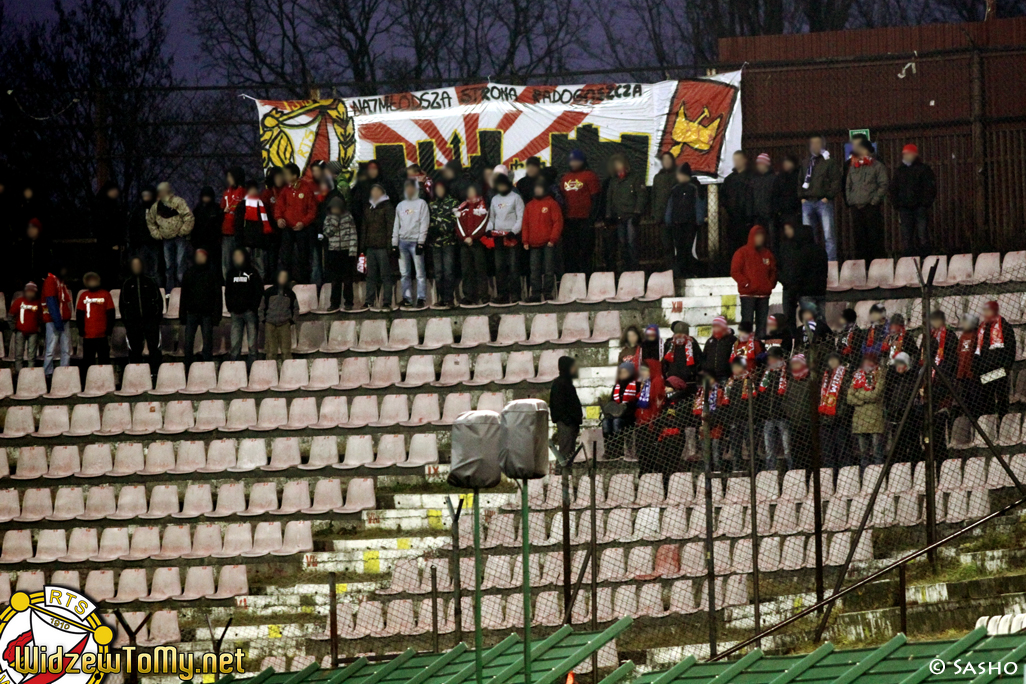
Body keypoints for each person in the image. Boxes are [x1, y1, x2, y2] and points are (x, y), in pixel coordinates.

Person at [846, 138, 889, 262]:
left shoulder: (877, 166)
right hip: (856, 207)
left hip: (871, 207)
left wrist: (874, 201)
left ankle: (877, 265)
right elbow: (848, 184)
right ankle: (861, 267)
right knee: (859, 239)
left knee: (874, 237)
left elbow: (884, 184)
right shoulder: (853, 166)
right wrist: (851, 200)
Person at [799, 135, 842, 261]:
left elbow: (836, 181)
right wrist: (802, 197)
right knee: (808, 236)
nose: (815, 146)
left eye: (817, 143)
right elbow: (800, 180)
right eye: (812, 143)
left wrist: (828, 196)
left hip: (823, 201)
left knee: (828, 235)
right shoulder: (805, 162)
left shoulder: (829, 162)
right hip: (807, 202)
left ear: (823, 145)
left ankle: (831, 263)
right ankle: (812, 262)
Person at [119, 256, 164, 377]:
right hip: (133, 323)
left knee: (154, 348)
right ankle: (136, 373)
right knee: (134, 349)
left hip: (151, 321)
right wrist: (128, 321)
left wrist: (155, 318)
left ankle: (156, 373)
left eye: (138, 264)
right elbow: (123, 304)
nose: (136, 267)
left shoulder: (150, 282)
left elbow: (158, 301)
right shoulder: (127, 284)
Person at [777, 222, 828, 326]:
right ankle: (825, 340)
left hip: (806, 292)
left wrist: (793, 287)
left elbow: (799, 273)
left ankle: (813, 341)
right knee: (822, 321)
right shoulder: (821, 250)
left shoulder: (801, 252)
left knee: (811, 322)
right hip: (821, 291)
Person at [890, 144, 937, 257]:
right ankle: (915, 258)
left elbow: (930, 188)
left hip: (916, 207)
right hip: (908, 207)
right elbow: (893, 188)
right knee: (910, 236)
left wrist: (924, 203)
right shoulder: (905, 170)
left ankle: (921, 257)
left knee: (921, 235)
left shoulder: (905, 170)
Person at [522, 178, 564, 302]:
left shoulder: (552, 203)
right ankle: (535, 293)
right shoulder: (530, 205)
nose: (538, 190)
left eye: (540, 188)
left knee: (548, 269)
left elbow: (558, 222)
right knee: (534, 269)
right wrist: (525, 240)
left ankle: (547, 293)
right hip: (533, 243)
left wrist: (553, 239)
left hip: (548, 243)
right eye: (536, 188)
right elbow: (525, 224)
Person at [730, 225, 777, 337]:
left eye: (762, 236)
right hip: (748, 294)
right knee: (747, 323)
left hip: (763, 295)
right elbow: (735, 271)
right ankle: (746, 349)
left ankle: (759, 348)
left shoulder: (767, 254)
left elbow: (773, 271)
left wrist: (770, 285)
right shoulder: (742, 253)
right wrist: (746, 284)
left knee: (762, 325)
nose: (760, 238)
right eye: (757, 236)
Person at [560, 149, 602, 275]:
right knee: (570, 252)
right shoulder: (565, 177)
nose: (574, 163)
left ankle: (587, 279)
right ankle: (572, 280)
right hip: (569, 219)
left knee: (586, 252)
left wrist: (592, 218)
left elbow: (596, 198)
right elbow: (561, 198)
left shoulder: (590, 176)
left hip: (585, 219)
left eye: (576, 161)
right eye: (572, 161)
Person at [147, 182, 195, 290]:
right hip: (166, 239)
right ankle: (170, 291)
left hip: (179, 238)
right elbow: (150, 221)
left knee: (180, 265)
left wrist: (182, 231)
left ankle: (183, 290)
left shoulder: (178, 202)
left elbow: (189, 217)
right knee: (169, 267)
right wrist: (157, 234)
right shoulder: (156, 206)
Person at [486, 173, 524, 305]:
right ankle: (502, 294)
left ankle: (515, 295)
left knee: (513, 266)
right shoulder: (495, 199)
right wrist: (489, 229)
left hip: (511, 238)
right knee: (499, 267)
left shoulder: (516, 198)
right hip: (498, 239)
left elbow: (521, 218)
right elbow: (491, 218)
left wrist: (514, 232)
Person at [179, 249, 221, 368]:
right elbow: (184, 296)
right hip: (191, 313)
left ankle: (207, 367)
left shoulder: (212, 274)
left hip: (207, 313)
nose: (200, 258)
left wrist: (216, 315)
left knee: (207, 343)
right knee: (188, 343)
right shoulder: (188, 273)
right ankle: (188, 368)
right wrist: (182, 314)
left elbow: (217, 296)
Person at [277, 163, 318, 283]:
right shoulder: (285, 190)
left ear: (294, 175)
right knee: (285, 257)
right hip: (288, 229)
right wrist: (279, 218)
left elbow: (312, 210)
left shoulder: (306, 188)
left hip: (303, 229)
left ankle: (303, 282)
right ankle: (286, 280)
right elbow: (279, 207)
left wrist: (303, 223)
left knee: (303, 256)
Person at [392, 179, 430, 308]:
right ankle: (407, 298)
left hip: (415, 242)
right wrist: (394, 244)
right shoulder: (400, 205)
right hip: (402, 242)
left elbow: (424, 223)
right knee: (404, 274)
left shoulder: (422, 204)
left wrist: (421, 242)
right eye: (407, 188)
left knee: (420, 273)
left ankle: (421, 298)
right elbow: (396, 225)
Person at [604, 153, 645, 271]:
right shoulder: (613, 181)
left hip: (631, 215)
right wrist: (608, 215)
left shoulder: (635, 178)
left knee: (632, 242)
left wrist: (638, 212)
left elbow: (641, 196)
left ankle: (634, 268)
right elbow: (609, 199)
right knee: (622, 243)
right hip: (619, 216)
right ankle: (626, 268)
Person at [975, 300, 1016, 417]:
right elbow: (977, 349)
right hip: (985, 370)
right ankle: (990, 424)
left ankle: (1001, 422)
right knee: (987, 401)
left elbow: (1010, 348)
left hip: (999, 370)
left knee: (1001, 399)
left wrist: (1006, 367)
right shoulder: (982, 328)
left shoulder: (1004, 326)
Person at [225, 248, 263, 368]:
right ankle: (234, 368)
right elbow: (228, 292)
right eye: (235, 256)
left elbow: (258, 291)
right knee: (235, 344)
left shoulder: (253, 272)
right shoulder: (231, 273)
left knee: (252, 344)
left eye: (239, 255)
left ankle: (253, 367)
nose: (237, 258)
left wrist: (253, 307)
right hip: (235, 313)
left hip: (249, 312)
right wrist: (230, 307)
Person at [848, 352, 887, 468]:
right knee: (863, 455)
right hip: (859, 420)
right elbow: (849, 397)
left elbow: (875, 394)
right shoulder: (857, 376)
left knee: (877, 454)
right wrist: (863, 399)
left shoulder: (880, 374)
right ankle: (864, 479)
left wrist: (858, 395)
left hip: (875, 418)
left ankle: (879, 477)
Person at [425, 180, 459, 309]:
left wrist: (441, 229)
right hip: (435, 243)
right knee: (438, 272)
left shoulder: (453, 203)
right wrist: (431, 230)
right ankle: (441, 298)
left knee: (449, 271)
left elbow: (455, 221)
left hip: (449, 242)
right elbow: (427, 220)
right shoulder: (432, 204)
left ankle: (449, 298)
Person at [361, 184, 395, 311]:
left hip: (382, 248)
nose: (373, 193)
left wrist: (389, 246)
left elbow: (390, 227)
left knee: (386, 275)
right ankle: (369, 301)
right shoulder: (368, 207)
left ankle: (387, 301)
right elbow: (364, 227)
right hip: (370, 246)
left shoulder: (387, 207)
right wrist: (363, 245)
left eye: (376, 191)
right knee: (370, 276)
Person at [321, 195, 359, 310]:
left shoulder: (348, 217)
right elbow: (327, 233)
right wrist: (334, 221)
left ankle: (348, 302)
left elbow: (353, 234)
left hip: (346, 251)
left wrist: (353, 252)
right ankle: (334, 303)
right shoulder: (328, 218)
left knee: (347, 279)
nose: (335, 210)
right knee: (335, 279)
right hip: (334, 252)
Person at [75, 271, 116, 378]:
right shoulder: (83, 295)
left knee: (104, 361)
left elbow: (111, 313)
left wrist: (109, 329)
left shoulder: (106, 294)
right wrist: (81, 329)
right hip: (88, 335)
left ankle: (105, 380)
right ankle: (88, 382)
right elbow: (79, 314)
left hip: (102, 334)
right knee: (88, 361)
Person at [455, 183, 489, 306]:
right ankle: (469, 296)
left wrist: (472, 237)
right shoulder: (462, 208)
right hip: (465, 244)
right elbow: (458, 224)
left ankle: (483, 295)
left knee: (480, 269)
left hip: (477, 243)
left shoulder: (482, 207)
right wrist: (465, 237)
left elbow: (483, 223)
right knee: (466, 270)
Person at [759, 347, 792, 471]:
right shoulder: (767, 374)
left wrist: (786, 410)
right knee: (769, 450)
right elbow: (763, 395)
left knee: (787, 449)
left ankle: (791, 470)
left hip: (783, 415)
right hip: (769, 415)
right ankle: (770, 472)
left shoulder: (787, 372)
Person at [664, 163, 700, 278]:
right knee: (679, 249)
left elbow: (699, 204)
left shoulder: (694, 187)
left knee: (689, 248)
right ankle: (681, 272)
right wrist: (669, 220)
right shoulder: (675, 189)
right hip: (677, 223)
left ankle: (691, 271)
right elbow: (670, 205)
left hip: (690, 223)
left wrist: (698, 220)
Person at [885, 351, 922, 463]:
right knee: (898, 448)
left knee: (913, 445)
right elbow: (888, 396)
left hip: (910, 418)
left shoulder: (913, 379)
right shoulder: (893, 380)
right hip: (897, 417)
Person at [233, 181, 274, 279]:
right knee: (244, 266)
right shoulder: (242, 206)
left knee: (260, 266)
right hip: (246, 242)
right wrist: (239, 241)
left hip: (259, 242)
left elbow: (267, 223)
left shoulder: (263, 206)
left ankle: (260, 284)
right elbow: (238, 224)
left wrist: (266, 240)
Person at [721, 357, 754, 471]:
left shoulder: (748, 380)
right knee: (735, 448)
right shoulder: (730, 382)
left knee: (751, 447)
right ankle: (737, 470)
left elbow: (753, 401)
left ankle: (753, 470)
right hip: (734, 418)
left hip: (746, 419)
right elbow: (727, 402)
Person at [819, 352, 850, 467]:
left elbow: (846, 396)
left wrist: (840, 413)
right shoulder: (825, 376)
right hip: (825, 420)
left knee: (843, 451)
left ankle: (844, 477)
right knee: (828, 453)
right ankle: (831, 477)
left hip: (839, 419)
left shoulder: (845, 374)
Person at [260, 269, 299, 364]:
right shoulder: (268, 292)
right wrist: (263, 320)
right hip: (270, 325)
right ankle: (269, 374)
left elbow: (296, 309)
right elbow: (261, 307)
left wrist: (292, 321)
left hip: (285, 325)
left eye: (285, 277)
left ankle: (288, 374)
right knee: (270, 352)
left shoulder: (290, 293)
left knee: (286, 352)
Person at [41, 264, 73, 378]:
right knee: (50, 349)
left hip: (63, 319)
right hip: (53, 320)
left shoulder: (60, 281)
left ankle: (64, 372)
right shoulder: (50, 280)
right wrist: (57, 320)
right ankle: (47, 373)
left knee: (66, 349)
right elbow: (51, 302)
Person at [550, 356, 583, 464]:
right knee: (565, 453)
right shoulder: (560, 384)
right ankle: (562, 476)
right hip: (566, 424)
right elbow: (558, 405)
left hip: (570, 423)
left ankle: (565, 475)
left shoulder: (567, 383)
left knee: (569, 453)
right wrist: (567, 420)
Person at [721, 150, 754, 256]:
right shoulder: (729, 179)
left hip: (749, 219)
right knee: (734, 247)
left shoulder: (752, 177)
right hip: (733, 219)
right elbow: (723, 197)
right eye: (735, 160)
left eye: (739, 159)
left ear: (744, 160)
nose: (737, 162)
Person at [783, 353, 813, 469]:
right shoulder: (791, 382)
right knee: (796, 452)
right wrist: (791, 414)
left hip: (808, 423)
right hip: (794, 423)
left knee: (809, 452)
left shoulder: (810, 381)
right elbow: (785, 401)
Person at [603, 362, 639, 458]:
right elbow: (612, 400)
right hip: (616, 414)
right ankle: (609, 449)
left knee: (617, 423)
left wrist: (626, 406)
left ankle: (618, 451)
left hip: (629, 415)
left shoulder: (637, 385)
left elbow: (637, 401)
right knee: (606, 423)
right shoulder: (617, 386)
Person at [92, 181, 124, 285]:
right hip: (105, 245)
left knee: (113, 271)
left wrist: (120, 242)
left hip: (114, 245)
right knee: (106, 271)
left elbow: (119, 226)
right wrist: (111, 243)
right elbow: (102, 227)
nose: (116, 193)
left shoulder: (115, 206)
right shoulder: (101, 206)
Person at [11, 219, 52, 296]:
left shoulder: (45, 246)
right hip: (24, 281)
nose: (31, 230)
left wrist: (44, 277)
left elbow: (48, 262)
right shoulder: (22, 245)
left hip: (40, 281)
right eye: (29, 228)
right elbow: (17, 262)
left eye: (34, 228)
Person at [9, 282, 41, 375]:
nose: (30, 293)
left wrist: (39, 329)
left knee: (32, 356)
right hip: (20, 332)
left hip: (33, 332)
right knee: (19, 355)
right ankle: (19, 376)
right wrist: (14, 329)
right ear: (25, 291)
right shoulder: (19, 301)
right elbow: (10, 316)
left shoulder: (38, 303)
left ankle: (30, 375)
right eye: (28, 291)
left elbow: (42, 317)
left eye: (32, 291)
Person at [128, 186, 160, 279]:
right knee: (143, 268)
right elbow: (133, 226)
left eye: (148, 195)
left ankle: (156, 288)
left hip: (154, 243)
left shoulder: (157, 209)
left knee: (155, 269)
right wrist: (134, 241)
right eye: (144, 195)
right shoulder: (138, 210)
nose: (146, 197)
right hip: (141, 243)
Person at [220, 167, 247, 278]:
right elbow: (222, 208)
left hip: (239, 233)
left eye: (231, 176)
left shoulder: (243, 192)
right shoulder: (226, 193)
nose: (228, 179)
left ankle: (241, 282)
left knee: (240, 261)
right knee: (226, 261)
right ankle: (228, 284)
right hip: (226, 232)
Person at [956, 313, 982, 417]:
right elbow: (958, 352)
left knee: (975, 400)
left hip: (972, 374)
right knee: (965, 400)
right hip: (963, 374)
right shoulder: (963, 336)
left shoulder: (977, 335)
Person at [662, 321, 703, 388]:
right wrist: (666, 373)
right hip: (672, 380)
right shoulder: (669, 344)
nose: (680, 338)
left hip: (688, 381)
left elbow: (699, 360)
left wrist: (694, 373)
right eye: (678, 335)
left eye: (682, 335)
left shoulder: (692, 344)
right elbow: (665, 361)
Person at [192, 186, 222, 276]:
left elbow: (219, 224)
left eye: (208, 196)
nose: (206, 199)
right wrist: (194, 242)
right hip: (200, 243)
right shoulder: (197, 210)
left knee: (215, 266)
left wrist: (218, 238)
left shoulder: (216, 208)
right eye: (205, 196)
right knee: (201, 265)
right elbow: (194, 226)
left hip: (214, 243)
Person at [773, 154, 802, 235]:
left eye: (788, 162)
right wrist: (778, 210)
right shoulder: (779, 177)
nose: (786, 164)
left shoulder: (799, 175)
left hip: (796, 212)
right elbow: (775, 194)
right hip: (783, 213)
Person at [750, 153, 776, 243]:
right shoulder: (754, 179)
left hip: (770, 215)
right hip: (757, 215)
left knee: (771, 239)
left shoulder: (773, 179)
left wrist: (772, 210)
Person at [704, 316, 737, 382]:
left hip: (725, 376)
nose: (715, 329)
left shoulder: (732, 340)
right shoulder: (710, 341)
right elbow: (704, 356)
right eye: (714, 326)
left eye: (718, 326)